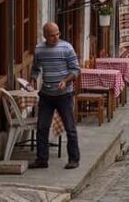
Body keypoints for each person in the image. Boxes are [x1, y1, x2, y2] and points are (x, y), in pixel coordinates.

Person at [29, 22, 80, 169]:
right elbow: (35, 67)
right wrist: (33, 79)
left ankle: (74, 159)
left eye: (57, 34)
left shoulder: (67, 48)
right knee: (42, 127)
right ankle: (42, 159)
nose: (55, 37)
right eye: (52, 35)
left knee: (70, 128)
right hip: (46, 95)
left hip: (64, 95)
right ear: (45, 35)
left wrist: (65, 80)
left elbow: (76, 70)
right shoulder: (39, 49)